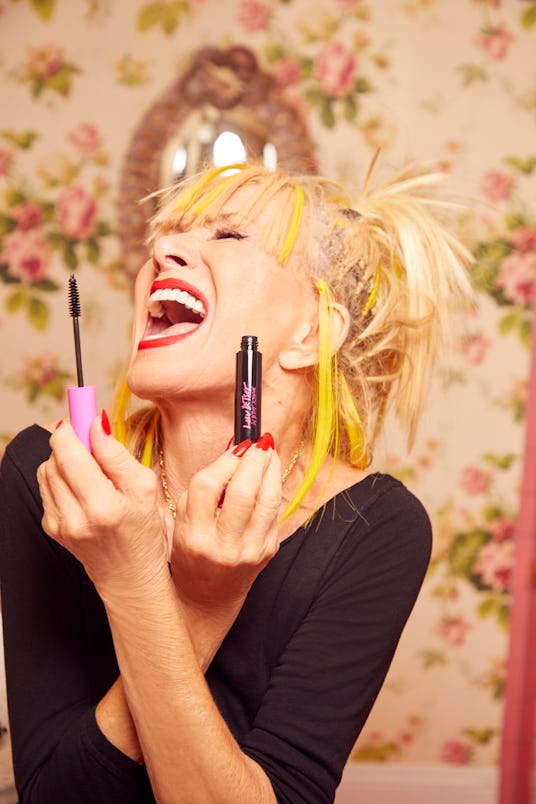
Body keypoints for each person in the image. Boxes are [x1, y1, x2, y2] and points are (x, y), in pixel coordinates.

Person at [0, 156, 472, 803]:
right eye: (164, 235)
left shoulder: (377, 528)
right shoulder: (46, 479)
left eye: (226, 236)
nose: (163, 248)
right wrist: (180, 600)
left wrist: (159, 592)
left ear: (311, 332)